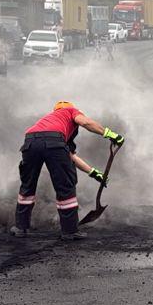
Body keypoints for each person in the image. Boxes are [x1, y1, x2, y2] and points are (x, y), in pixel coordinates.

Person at [13, 101, 125, 240]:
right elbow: (86, 123)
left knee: (27, 185)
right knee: (65, 186)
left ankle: (20, 227)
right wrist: (110, 134)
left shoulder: (49, 120)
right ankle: (70, 231)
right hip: (54, 143)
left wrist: (94, 172)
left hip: (29, 142)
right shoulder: (71, 112)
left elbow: (69, 155)